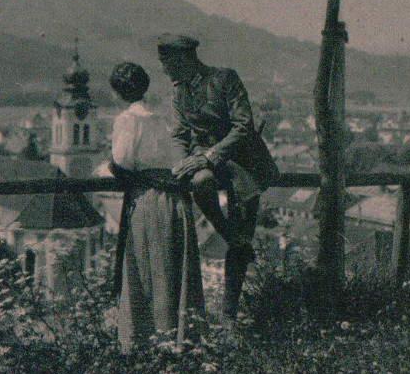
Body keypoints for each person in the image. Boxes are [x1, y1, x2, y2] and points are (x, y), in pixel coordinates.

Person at [157, 33, 280, 322]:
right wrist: (180, 164)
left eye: (167, 63)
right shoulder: (178, 91)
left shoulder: (224, 79)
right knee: (200, 183)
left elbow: (243, 127)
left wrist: (206, 157)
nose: (164, 71)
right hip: (206, 161)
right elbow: (179, 134)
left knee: (243, 235)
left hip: (242, 162)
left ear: (184, 59)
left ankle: (229, 315)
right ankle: (228, 235)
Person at [107, 61, 206, 352]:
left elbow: (123, 161)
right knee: (171, 272)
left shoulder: (127, 119)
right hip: (174, 200)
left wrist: (109, 166)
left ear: (118, 92)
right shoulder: (158, 117)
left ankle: (146, 345)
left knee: (147, 270)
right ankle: (176, 343)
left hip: (148, 200)